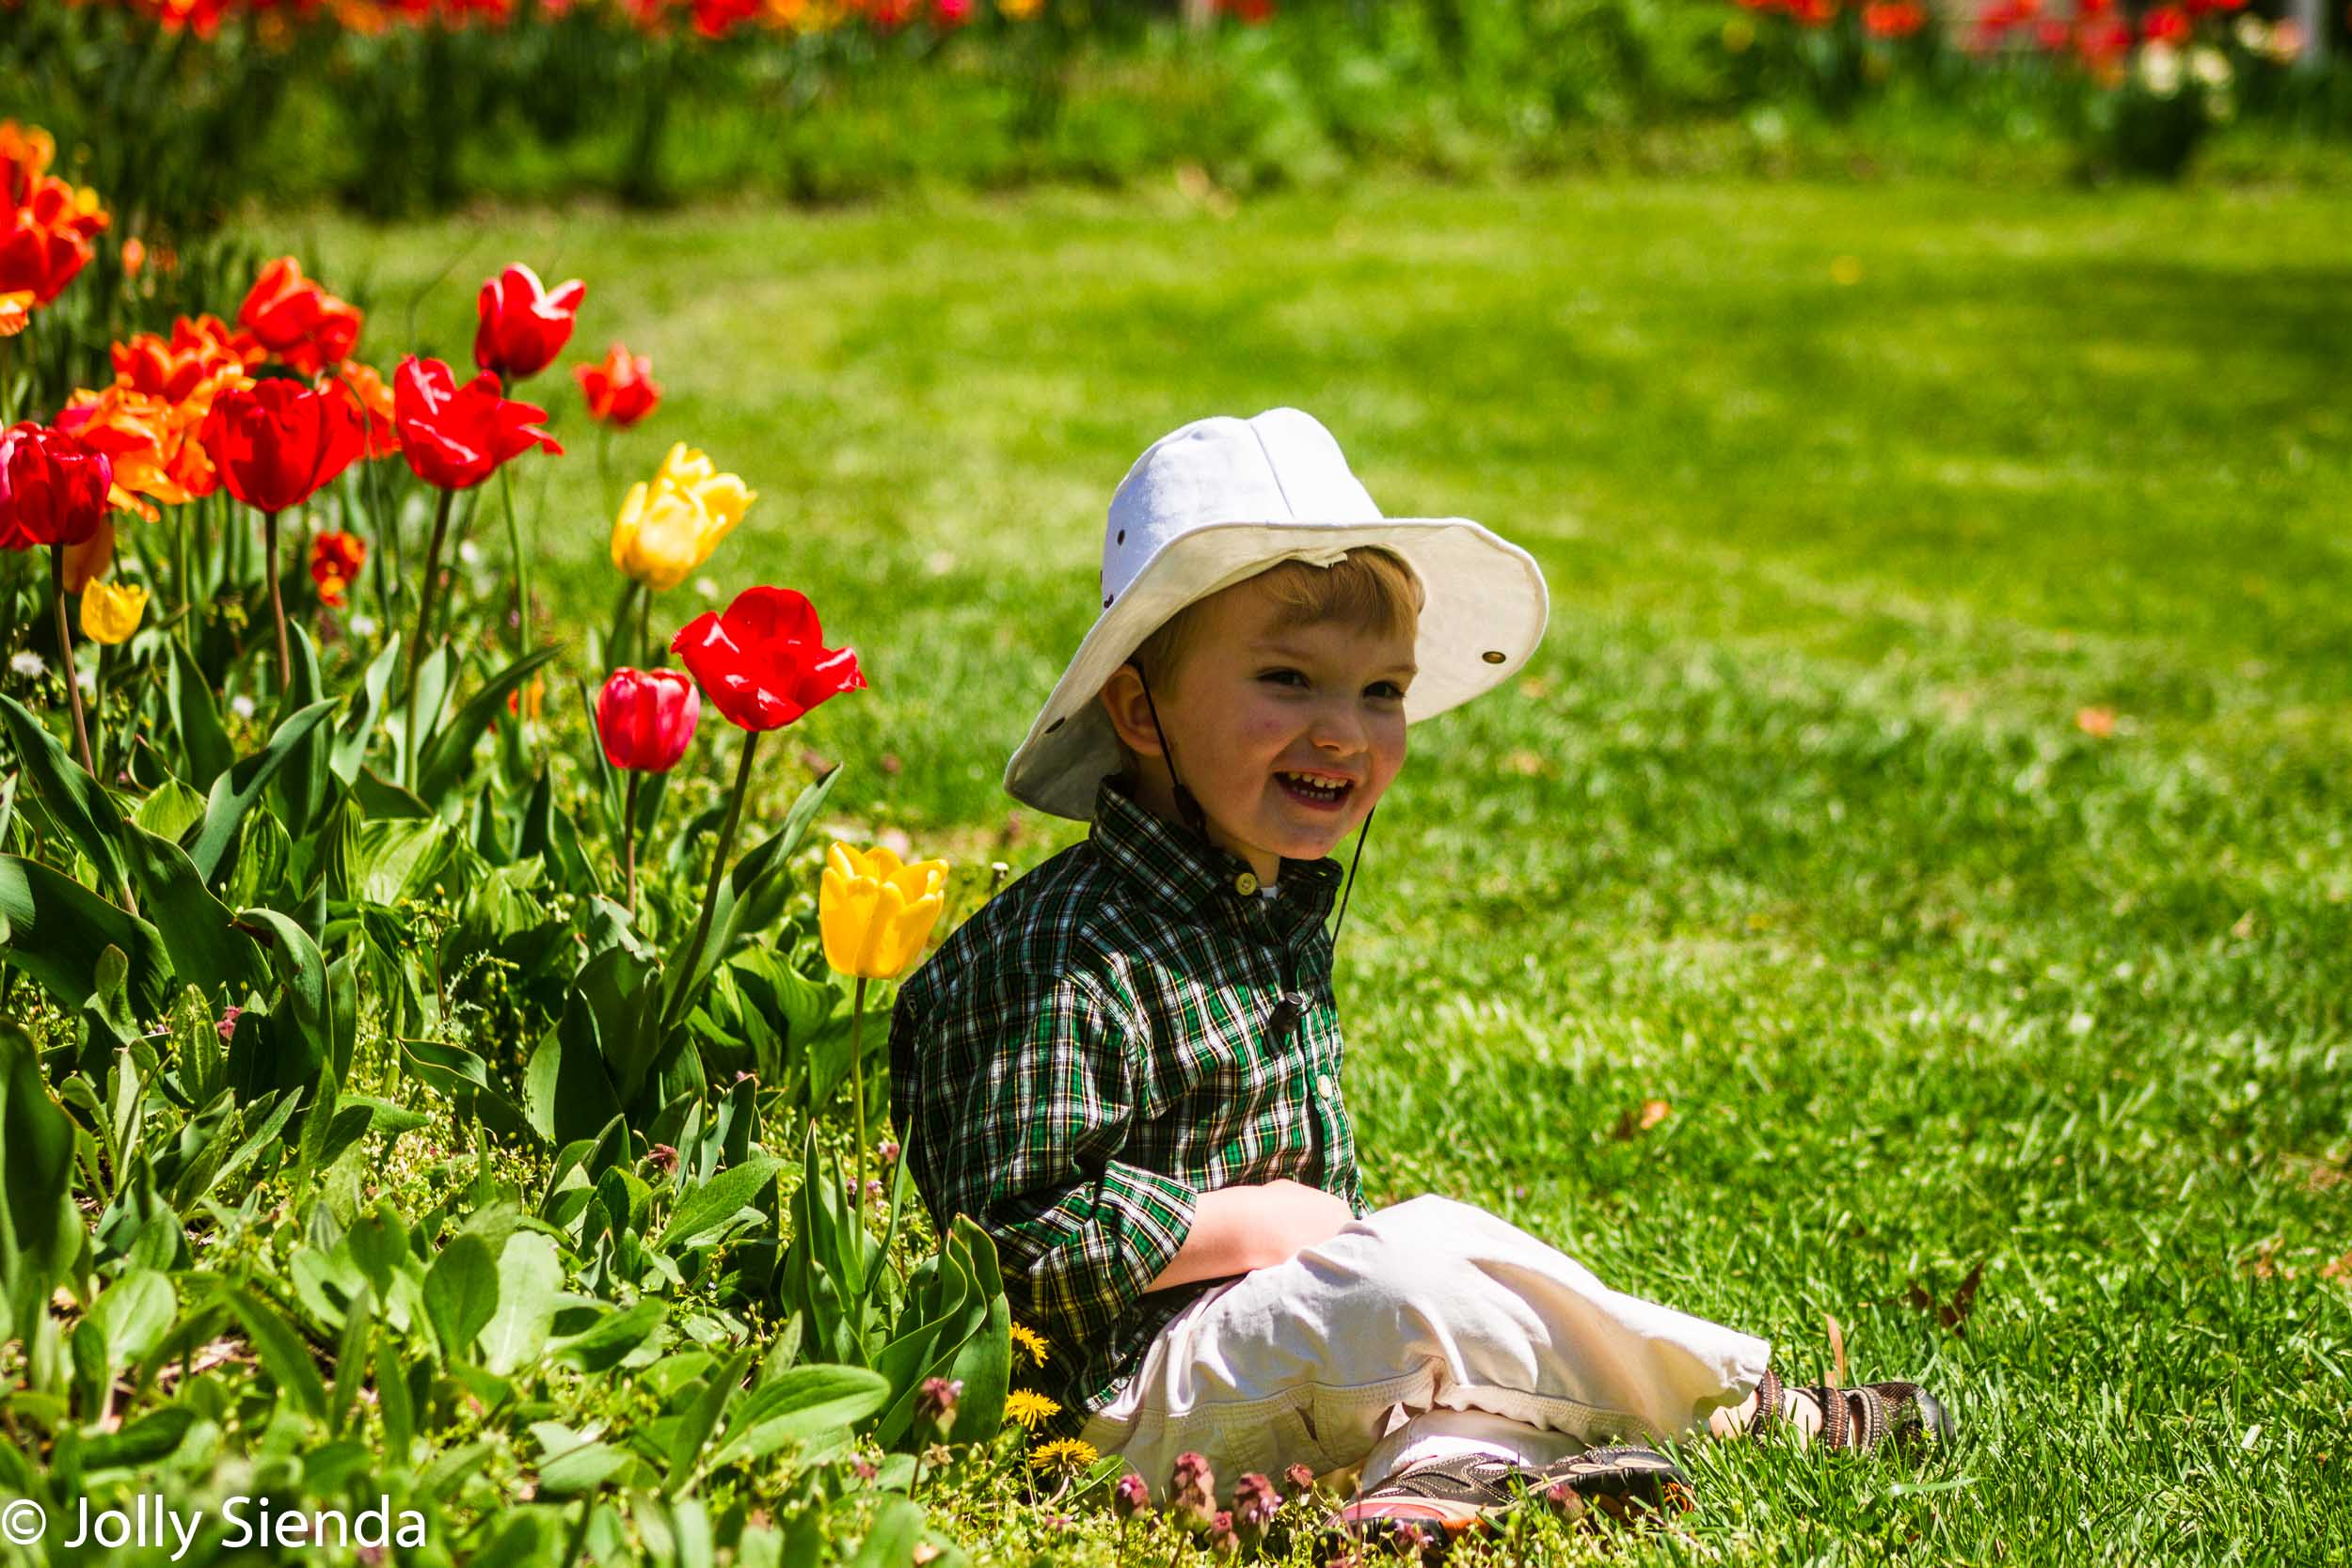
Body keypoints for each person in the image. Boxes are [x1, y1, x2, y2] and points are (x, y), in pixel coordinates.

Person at [889, 409, 1952, 1559]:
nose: (1342, 731)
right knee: (1392, 1280)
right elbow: (997, 1248)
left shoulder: (1254, 907)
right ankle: (1762, 1414)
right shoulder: (1061, 954)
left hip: (1264, 1345)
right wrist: (1228, 1222)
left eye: (1381, 691)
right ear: (1141, 708)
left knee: (1423, 1242)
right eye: (1288, 678)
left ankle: (1433, 1481)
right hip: (1108, 1402)